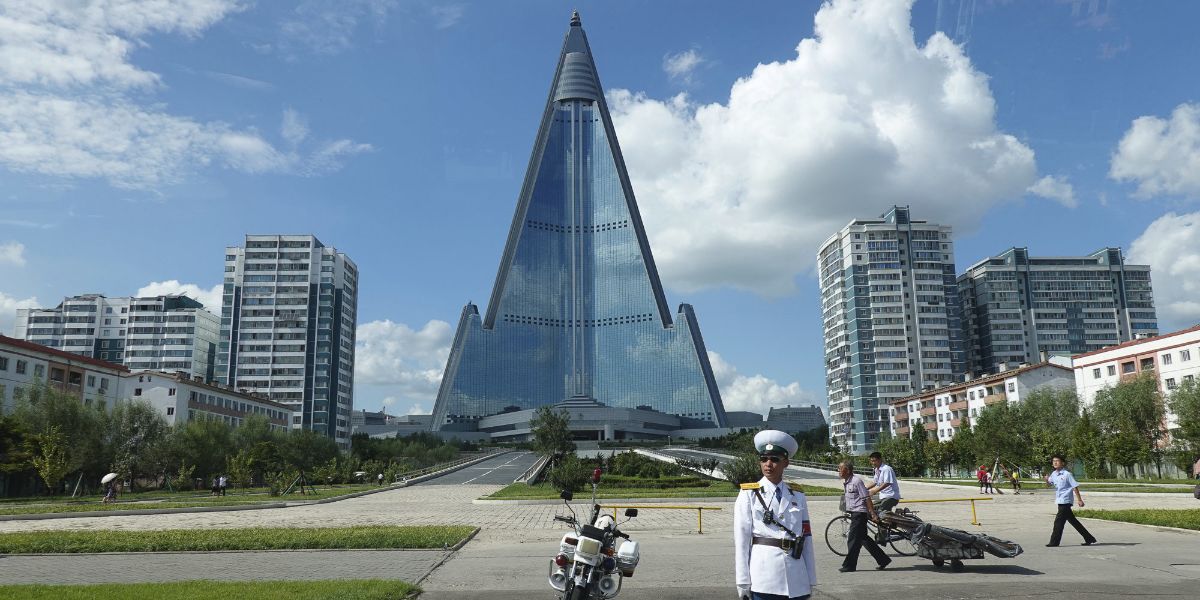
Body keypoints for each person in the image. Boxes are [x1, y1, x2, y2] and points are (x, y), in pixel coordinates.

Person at [733, 429, 816, 600]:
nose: (768, 464)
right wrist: (742, 581)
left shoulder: (797, 495)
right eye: (764, 459)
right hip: (764, 577)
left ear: (786, 462)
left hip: (796, 577)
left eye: (774, 459)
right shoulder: (749, 493)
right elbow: (741, 539)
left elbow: (806, 537)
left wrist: (810, 578)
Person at [838, 460, 891, 573]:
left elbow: (866, 498)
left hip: (859, 514)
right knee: (864, 539)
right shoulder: (847, 482)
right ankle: (883, 560)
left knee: (852, 540)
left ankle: (849, 565)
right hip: (855, 513)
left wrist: (872, 514)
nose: (838, 471)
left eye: (840, 468)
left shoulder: (856, 481)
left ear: (847, 470)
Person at [1045, 454, 1097, 547]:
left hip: (1066, 501)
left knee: (1058, 522)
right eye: (1053, 461)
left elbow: (1075, 487)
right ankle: (1089, 538)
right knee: (1073, 521)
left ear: (1063, 463)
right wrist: (1046, 480)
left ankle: (1054, 542)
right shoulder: (1054, 474)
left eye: (1057, 461)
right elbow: (1049, 484)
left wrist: (1079, 500)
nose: (1055, 462)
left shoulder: (1067, 474)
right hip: (1059, 500)